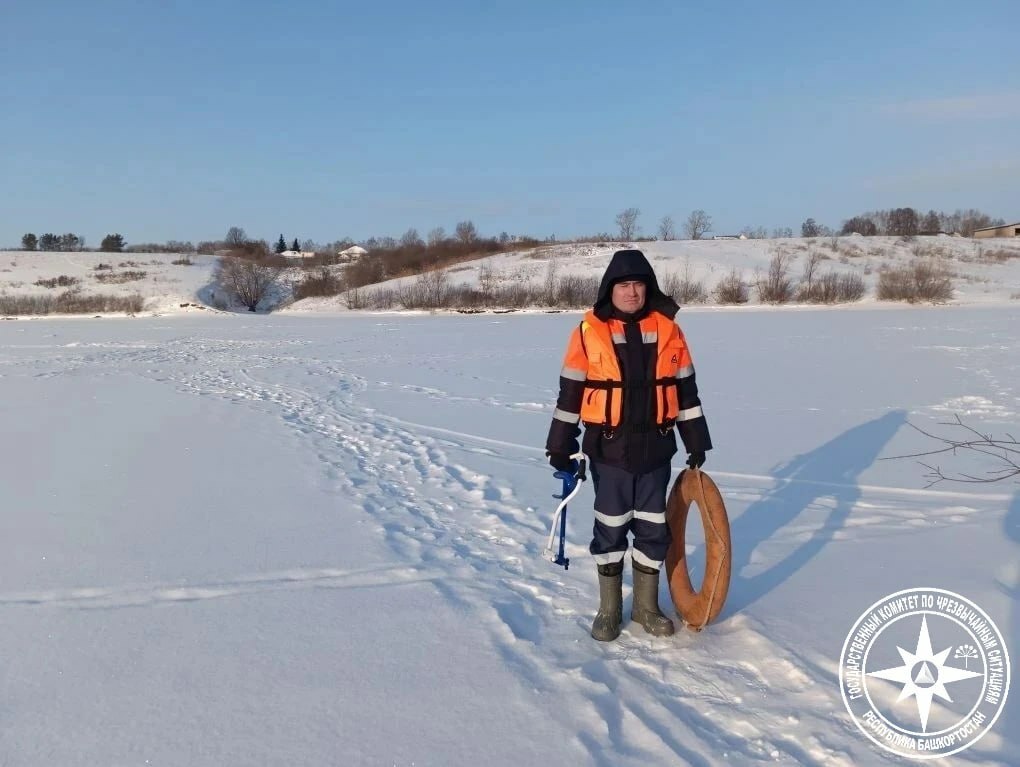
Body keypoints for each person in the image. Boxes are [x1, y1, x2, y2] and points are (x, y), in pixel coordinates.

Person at [545, 248, 712, 641]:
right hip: (609, 450)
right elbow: (570, 394)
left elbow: (686, 390)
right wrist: (560, 444)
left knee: (654, 529)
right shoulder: (588, 332)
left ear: (648, 287)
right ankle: (608, 608)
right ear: (610, 289)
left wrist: (696, 439)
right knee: (611, 528)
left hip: (657, 448)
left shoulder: (669, 329)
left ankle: (646, 607)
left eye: (638, 284)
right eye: (624, 285)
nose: (632, 292)